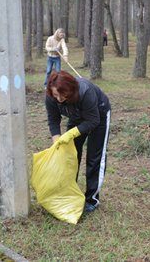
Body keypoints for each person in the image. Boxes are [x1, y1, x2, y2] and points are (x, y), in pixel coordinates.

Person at [45, 71, 111, 213]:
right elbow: (53, 119)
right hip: (76, 116)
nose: (60, 99)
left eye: (63, 95)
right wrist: (57, 139)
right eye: (56, 95)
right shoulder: (51, 96)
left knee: (94, 158)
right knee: (70, 156)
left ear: (71, 90)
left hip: (98, 115)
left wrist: (71, 133)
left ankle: (92, 200)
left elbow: (93, 120)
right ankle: (69, 193)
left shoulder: (85, 92)